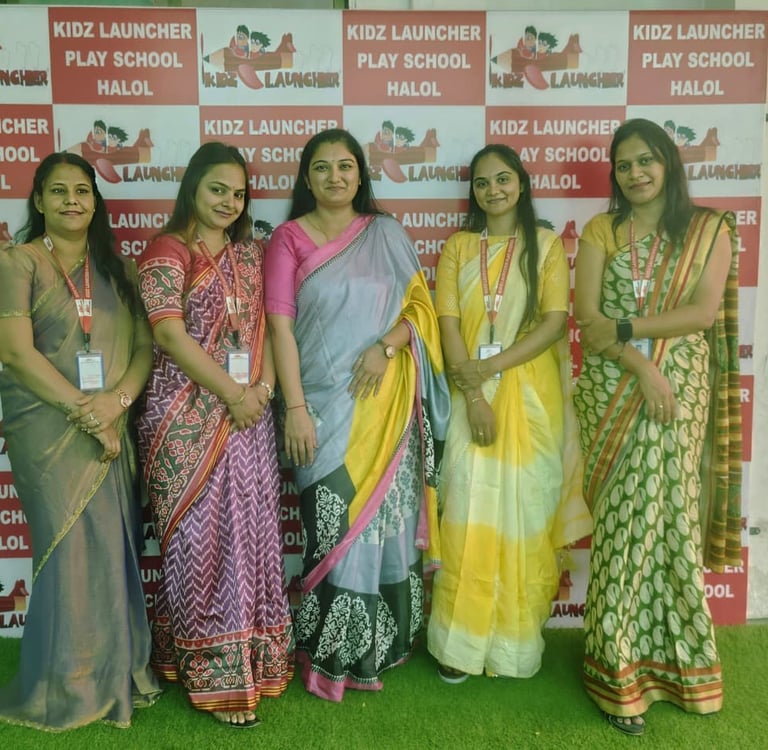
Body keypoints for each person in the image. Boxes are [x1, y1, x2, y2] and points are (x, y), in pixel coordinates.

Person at [265, 128, 450, 702]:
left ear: (360, 174)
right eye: (322, 168)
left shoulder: (386, 233)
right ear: (307, 177)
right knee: (333, 525)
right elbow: (280, 330)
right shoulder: (288, 240)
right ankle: (330, 650)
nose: (335, 177)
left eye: (345, 166)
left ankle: (378, 646)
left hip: (387, 406)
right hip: (321, 411)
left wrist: (386, 346)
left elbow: (420, 310)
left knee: (384, 527)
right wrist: (296, 409)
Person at [573, 118, 741, 736]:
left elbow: (700, 313)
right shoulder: (602, 230)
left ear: (668, 163)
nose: (635, 173)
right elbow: (588, 319)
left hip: (681, 390)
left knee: (669, 520)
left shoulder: (707, 229)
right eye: (623, 165)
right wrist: (642, 364)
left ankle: (681, 664)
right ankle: (616, 672)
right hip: (616, 386)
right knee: (625, 525)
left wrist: (629, 330)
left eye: (645, 160)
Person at [0, 152, 160, 730]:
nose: (72, 200)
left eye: (82, 191)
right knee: (67, 549)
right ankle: (63, 685)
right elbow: (16, 353)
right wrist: (86, 412)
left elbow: (143, 350)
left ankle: (116, 672)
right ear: (39, 201)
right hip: (47, 428)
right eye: (58, 190)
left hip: (112, 423)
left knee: (113, 548)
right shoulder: (18, 262)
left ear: (96, 202)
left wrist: (116, 404)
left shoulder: (118, 270)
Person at [136, 142, 293, 728]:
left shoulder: (252, 254)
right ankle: (211, 676)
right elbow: (168, 335)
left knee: (249, 541)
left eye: (238, 192)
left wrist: (263, 390)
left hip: (249, 417)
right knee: (199, 548)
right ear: (193, 190)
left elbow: (270, 328)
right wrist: (233, 393)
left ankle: (251, 662)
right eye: (217, 189)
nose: (229, 201)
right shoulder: (166, 250)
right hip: (185, 421)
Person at [427, 144, 591, 683]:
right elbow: (448, 324)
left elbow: (553, 323)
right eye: (481, 182)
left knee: (524, 512)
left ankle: (513, 644)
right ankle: (459, 643)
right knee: (467, 511)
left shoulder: (545, 245)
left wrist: (490, 367)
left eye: (502, 179)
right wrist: (475, 393)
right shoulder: (458, 248)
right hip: (469, 393)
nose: (492, 190)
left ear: (520, 183)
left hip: (530, 398)